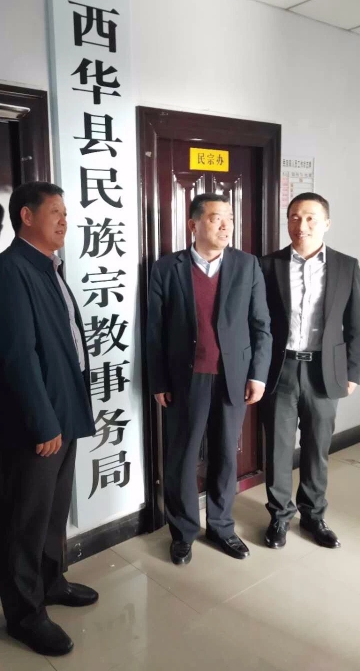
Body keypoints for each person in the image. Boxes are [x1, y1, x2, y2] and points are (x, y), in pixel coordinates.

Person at [0, 181, 97, 657]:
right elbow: (17, 356)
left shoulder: (48, 266)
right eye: (55, 212)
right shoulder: (10, 271)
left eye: (66, 212)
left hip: (63, 411)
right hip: (39, 422)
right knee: (25, 519)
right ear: (26, 216)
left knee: (52, 510)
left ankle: (51, 581)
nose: (64, 220)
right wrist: (42, 422)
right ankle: (25, 614)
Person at [147, 193, 272, 565]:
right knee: (183, 457)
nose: (225, 225)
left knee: (225, 454)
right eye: (217, 217)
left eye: (229, 218)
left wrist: (258, 375)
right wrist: (158, 381)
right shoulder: (167, 268)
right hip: (185, 379)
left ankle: (221, 526)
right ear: (193, 224)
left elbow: (261, 325)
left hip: (234, 377)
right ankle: (183, 532)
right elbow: (154, 331)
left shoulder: (247, 265)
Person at [261, 192, 360, 550]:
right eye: (294, 217)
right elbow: (258, 324)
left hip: (325, 371)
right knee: (278, 448)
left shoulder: (347, 266)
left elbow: (356, 325)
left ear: (326, 223)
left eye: (310, 218)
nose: (300, 225)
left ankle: (313, 515)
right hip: (281, 369)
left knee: (317, 447)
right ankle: (279, 516)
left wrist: (353, 373)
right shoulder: (267, 265)